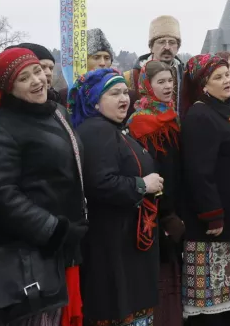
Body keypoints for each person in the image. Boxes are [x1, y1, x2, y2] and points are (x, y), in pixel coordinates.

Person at [0, 48, 87, 324]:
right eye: (24, 78)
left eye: (37, 71)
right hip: (33, 253)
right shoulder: (0, 126)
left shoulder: (57, 112)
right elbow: (1, 194)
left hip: (68, 247)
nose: (37, 81)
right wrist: (53, 229)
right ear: (8, 89)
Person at [69, 68, 163, 326]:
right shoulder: (98, 131)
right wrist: (142, 185)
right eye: (114, 93)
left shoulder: (113, 127)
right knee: (116, 305)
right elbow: (100, 183)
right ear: (95, 100)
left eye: (125, 92)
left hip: (124, 237)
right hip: (112, 239)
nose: (124, 98)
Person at [179, 54, 230, 324]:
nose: (227, 80)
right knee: (210, 288)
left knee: (228, 286)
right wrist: (212, 213)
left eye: (228, 74)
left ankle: (225, 316)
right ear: (203, 85)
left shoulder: (226, 109)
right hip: (216, 218)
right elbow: (199, 171)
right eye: (219, 77)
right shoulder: (200, 115)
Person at [129, 60, 186, 326]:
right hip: (156, 211)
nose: (167, 86)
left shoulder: (172, 117)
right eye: (160, 82)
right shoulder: (140, 123)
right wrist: (165, 214)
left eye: (170, 81)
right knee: (158, 271)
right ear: (146, 86)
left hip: (175, 205)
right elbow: (148, 170)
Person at [129, 16, 185, 110]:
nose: (167, 47)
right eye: (161, 42)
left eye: (172, 42)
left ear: (178, 47)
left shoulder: (185, 75)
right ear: (151, 47)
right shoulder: (131, 77)